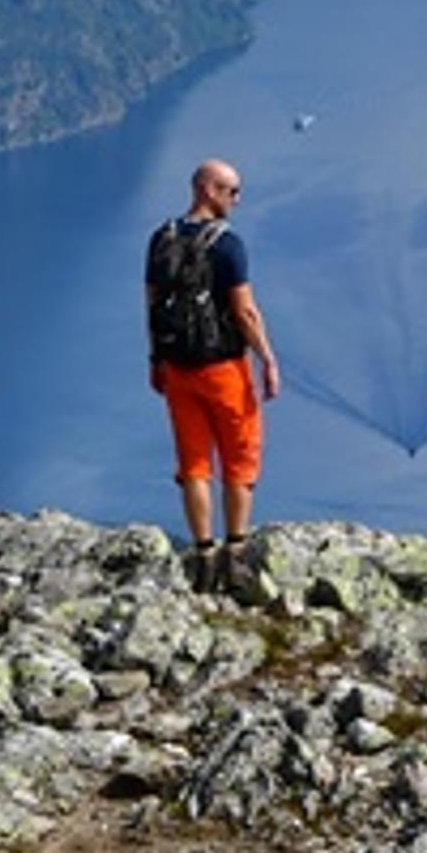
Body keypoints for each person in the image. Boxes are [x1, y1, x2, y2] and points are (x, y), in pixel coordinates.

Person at [143, 156, 278, 589]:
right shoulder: (226, 244)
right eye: (231, 190)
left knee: (194, 462)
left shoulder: (161, 238)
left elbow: (151, 305)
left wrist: (155, 360)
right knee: (240, 458)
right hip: (223, 368)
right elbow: (244, 311)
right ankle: (234, 554)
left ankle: (203, 555)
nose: (237, 200)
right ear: (207, 189)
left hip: (177, 367)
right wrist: (268, 359)